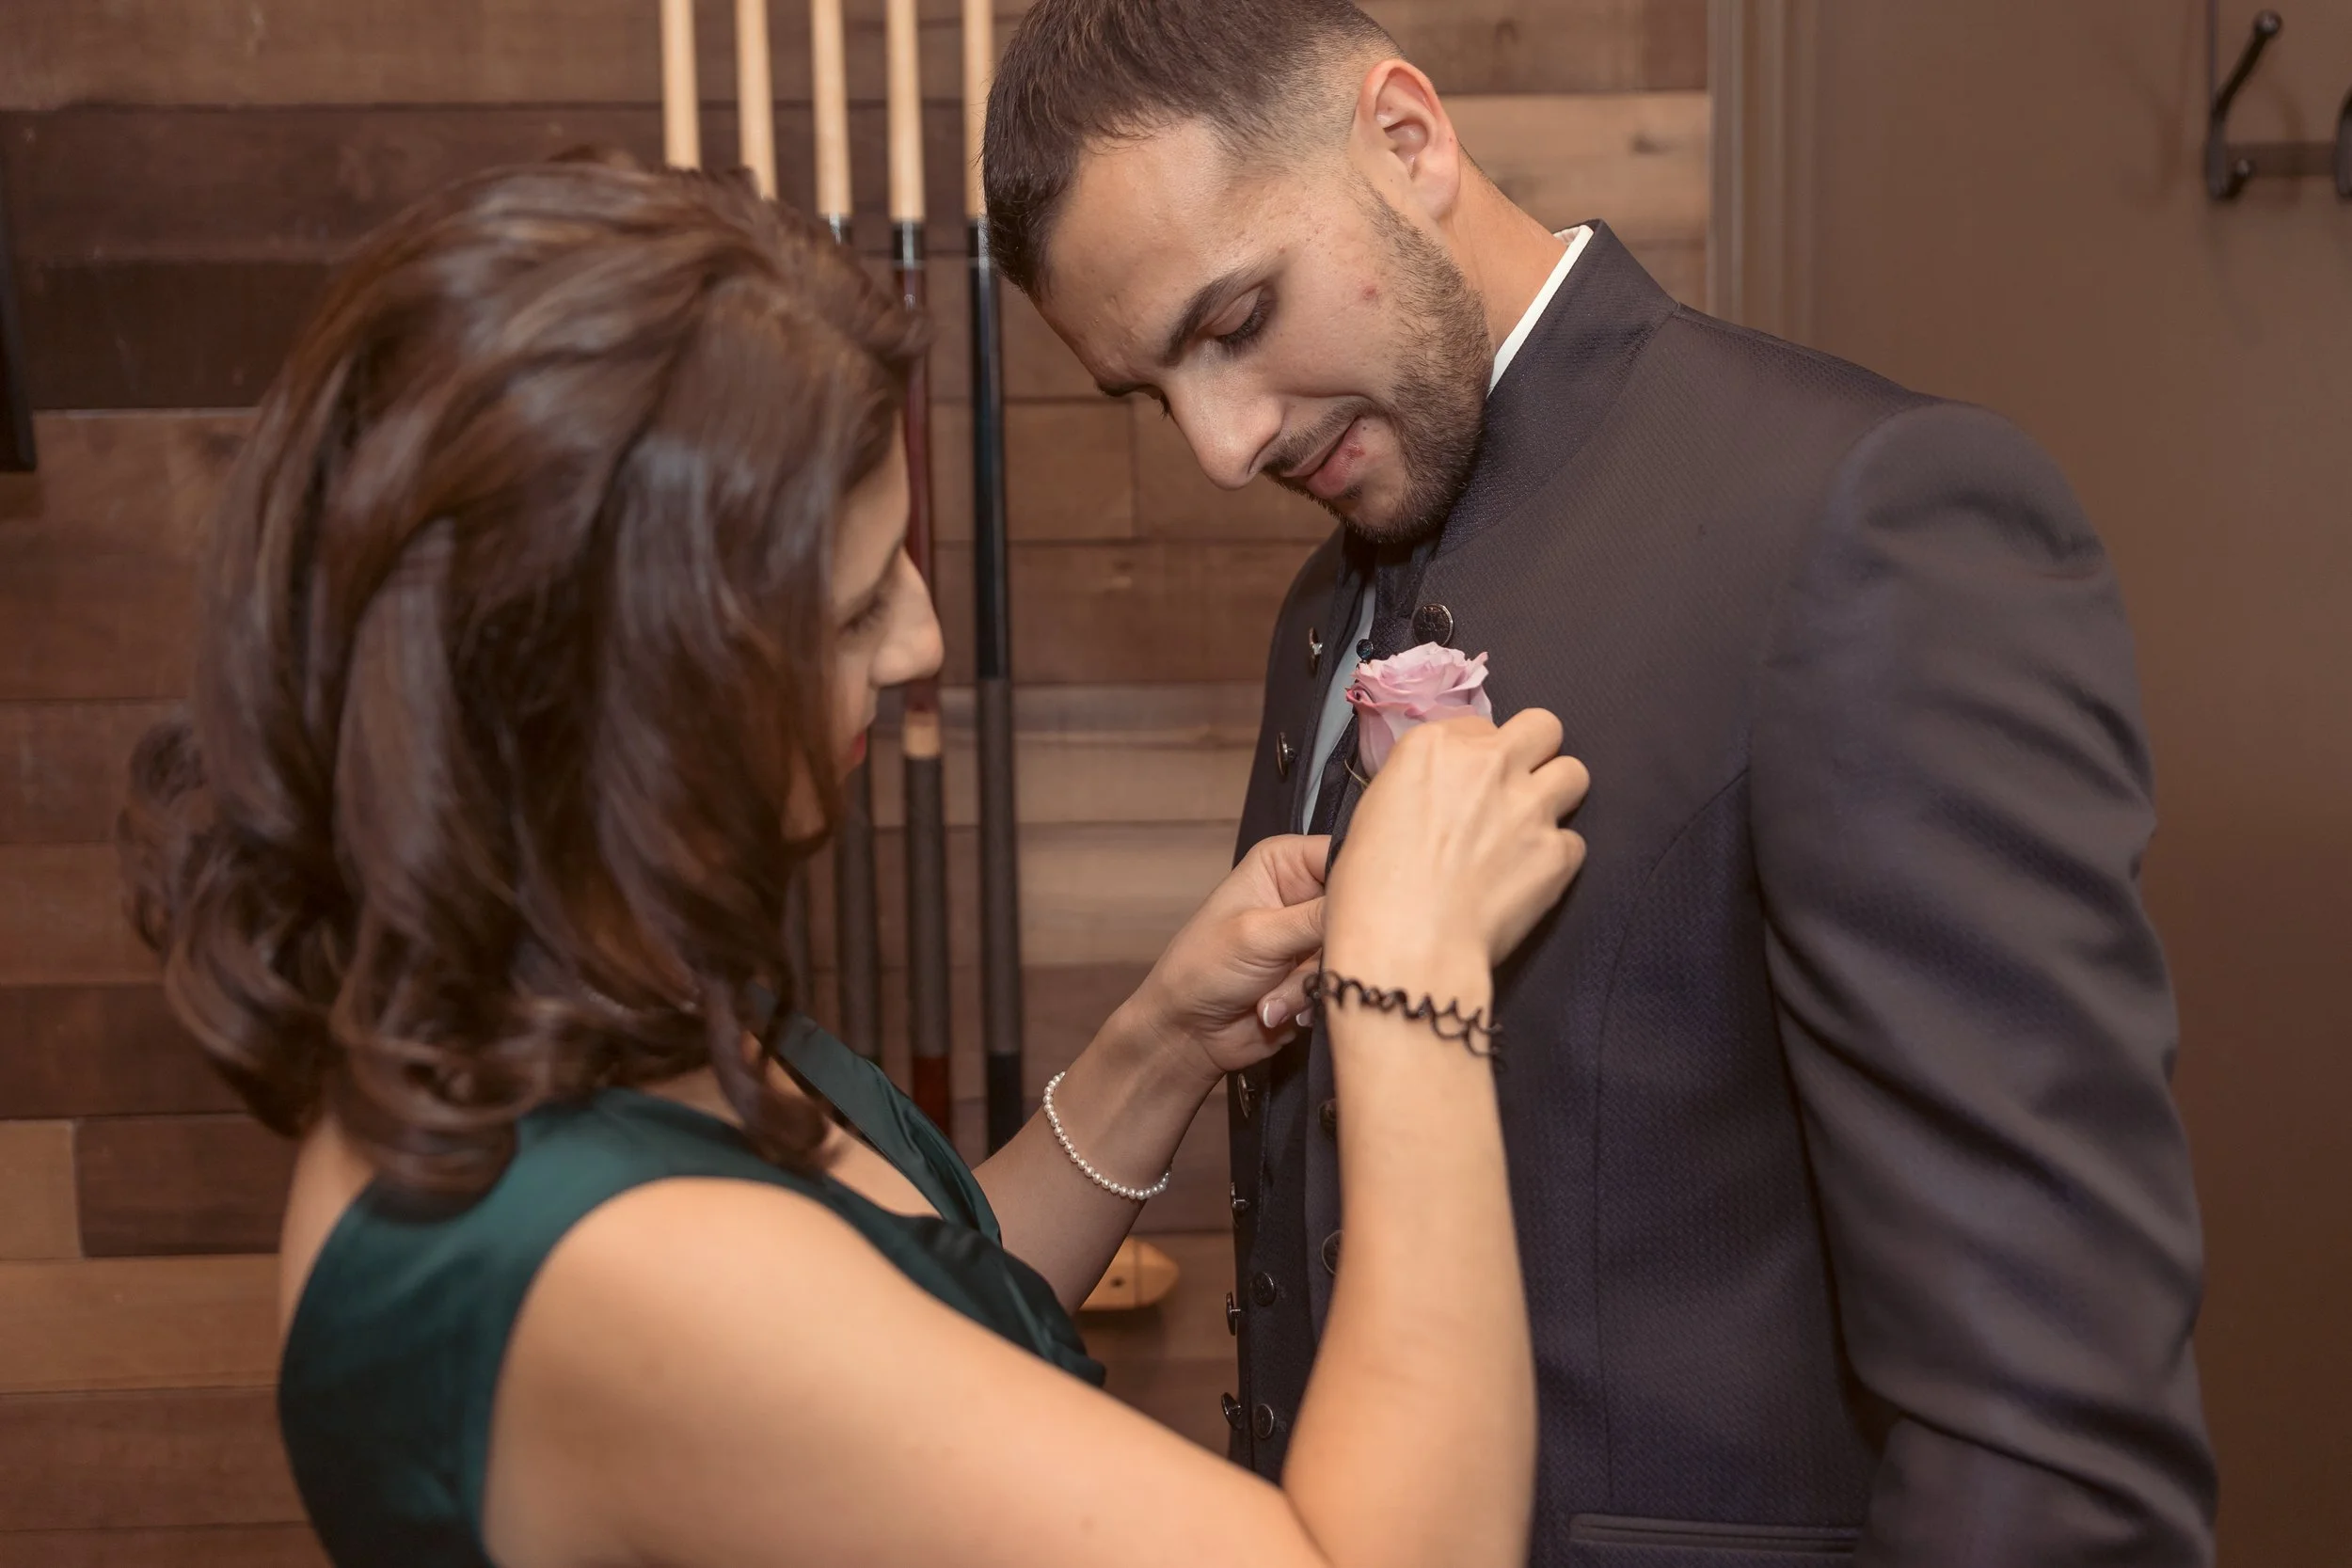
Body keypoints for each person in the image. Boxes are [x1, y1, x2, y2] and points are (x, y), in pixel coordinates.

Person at [117, 156, 1590, 1568]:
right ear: (607, 698)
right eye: (850, 609)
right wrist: (1409, 988)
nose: (919, 642)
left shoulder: (548, 984)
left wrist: (1157, 1048)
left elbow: (906, 1332)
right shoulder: (614, 1276)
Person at [983, 1, 2217, 1562]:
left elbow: (2045, 1432)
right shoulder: (1322, 608)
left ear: (1407, 139)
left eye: (1235, 320)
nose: (1221, 447)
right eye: (1152, 391)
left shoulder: (1860, 520)